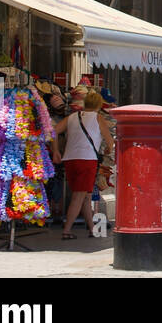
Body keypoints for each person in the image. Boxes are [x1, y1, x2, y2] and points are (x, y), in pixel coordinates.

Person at [55, 89, 112, 240]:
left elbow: (53, 131)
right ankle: (67, 230)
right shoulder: (98, 118)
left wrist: (56, 151)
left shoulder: (72, 117)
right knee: (78, 196)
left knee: (86, 195)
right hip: (87, 159)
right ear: (99, 105)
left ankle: (93, 229)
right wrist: (108, 149)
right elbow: (110, 141)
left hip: (70, 159)